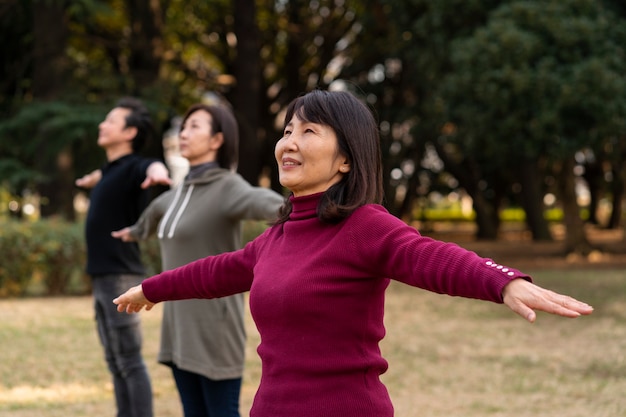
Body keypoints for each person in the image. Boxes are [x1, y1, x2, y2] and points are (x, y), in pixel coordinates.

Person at [113, 89, 593, 417]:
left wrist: (503, 279)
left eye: (308, 132)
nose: (289, 143)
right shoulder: (278, 237)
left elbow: (429, 257)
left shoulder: (364, 226)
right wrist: (151, 289)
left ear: (345, 158)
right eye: (287, 131)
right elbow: (216, 272)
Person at [111, 101, 284, 417]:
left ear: (217, 140)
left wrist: (315, 213)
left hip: (213, 330)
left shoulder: (227, 187)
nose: (184, 133)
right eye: (183, 126)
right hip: (177, 328)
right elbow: (153, 216)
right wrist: (131, 233)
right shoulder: (179, 193)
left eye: (195, 126)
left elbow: (268, 204)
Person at [76, 97, 171, 417]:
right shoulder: (109, 170)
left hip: (121, 274)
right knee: (114, 360)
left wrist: (159, 172)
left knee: (129, 361)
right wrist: (90, 180)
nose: (102, 125)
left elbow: (152, 166)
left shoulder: (136, 166)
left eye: (111, 121)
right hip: (103, 275)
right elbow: (100, 174)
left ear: (130, 132)